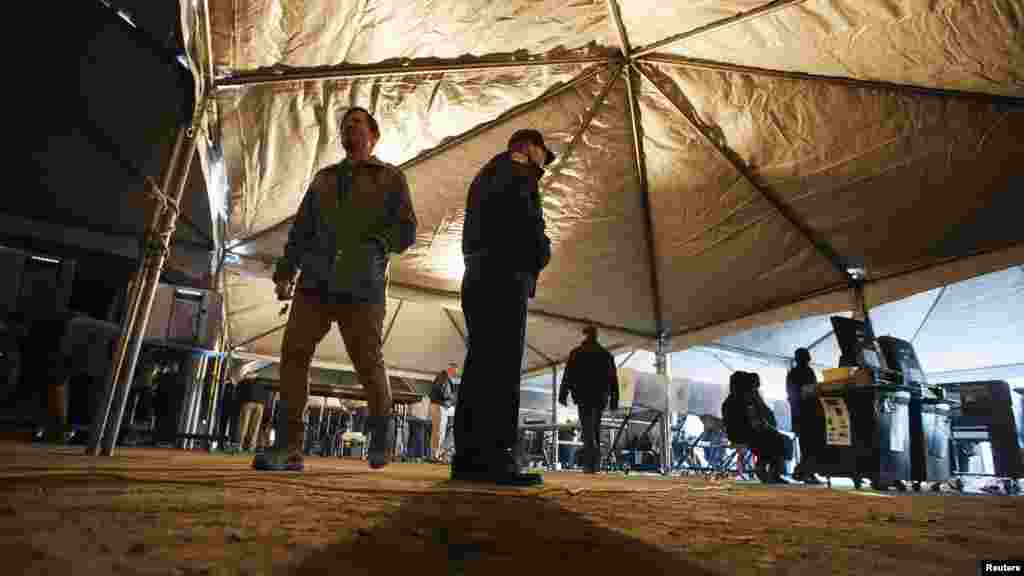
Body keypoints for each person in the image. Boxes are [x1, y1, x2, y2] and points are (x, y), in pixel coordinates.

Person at [254, 106, 418, 471]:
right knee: (293, 356)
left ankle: (380, 440)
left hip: (363, 285)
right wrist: (286, 270)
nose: (350, 128)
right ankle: (288, 446)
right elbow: (300, 230)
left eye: (357, 123)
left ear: (373, 135)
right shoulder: (323, 179)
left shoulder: (391, 178)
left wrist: (376, 246)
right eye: (345, 125)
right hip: (315, 281)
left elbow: (407, 230)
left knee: (368, 363)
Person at [453, 128, 554, 486]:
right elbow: (525, 225)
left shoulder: (488, 173)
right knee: (502, 369)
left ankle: (468, 459)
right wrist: (543, 251)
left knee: (481, 364)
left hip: (480, 274)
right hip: (504, 275)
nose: (544, 164)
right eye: (544, 155)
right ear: (530, 147)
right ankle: (496, 458)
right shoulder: (517, 170)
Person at [559, 325, 619, 474]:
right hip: (599, 397)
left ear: (586, 336)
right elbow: (613, 380)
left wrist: (563, 394)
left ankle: (590, 461)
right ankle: (594, 463)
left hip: (583, 396)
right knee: (594, 427)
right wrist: (614, 400)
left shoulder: (577, 353)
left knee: (587, 428)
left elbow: (568, 375)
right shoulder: (606, 355)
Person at [722, 371, 788, 484]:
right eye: (753, 386)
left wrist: (764, 424)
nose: (755, 389)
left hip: (751, 432)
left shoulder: (749, 399)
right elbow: (741, 423)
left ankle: (768, 470)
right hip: (743, 434)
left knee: (778, 439)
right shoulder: (737, 401)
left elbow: (768, 415)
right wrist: (761, 425)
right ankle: (769, 471)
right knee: (776, 440)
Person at [787, 348, 822, 483]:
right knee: (809, 445)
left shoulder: (794, 373)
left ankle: (805, 472)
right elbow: (809, 391)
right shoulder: (804, 372)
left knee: (807, 445)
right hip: (806, 414)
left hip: (801, 415)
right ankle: (804, 473)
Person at [429, 363, 458, 461]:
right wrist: (452, 397)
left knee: (436, 431)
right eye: (454, 371)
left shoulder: (441, 377)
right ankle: (437, 455)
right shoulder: (444, 378)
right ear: (451, 369)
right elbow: (445, 393)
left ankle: (435, 454)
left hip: (438, 406)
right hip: (440, 406)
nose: (455, 373)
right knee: (439, 432)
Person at [236, 379, 266, 452]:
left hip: (249, 402)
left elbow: (238, 394)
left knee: (244, 425)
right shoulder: (261, 383)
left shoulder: (244, 381)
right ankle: (251, 447)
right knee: (255, 427)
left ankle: (239, 445)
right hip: (260, 404)